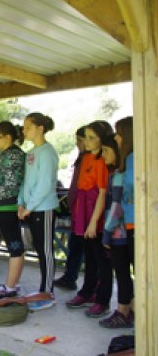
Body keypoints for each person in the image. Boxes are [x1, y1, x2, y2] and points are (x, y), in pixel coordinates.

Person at [65, 121, 113, 318]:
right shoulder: (85, 158)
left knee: (102, 260)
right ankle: (87, 292)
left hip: (96, 214)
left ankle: (103, 300)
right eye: (86, 137)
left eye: (92, 137)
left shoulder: (103, 160)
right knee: (89, 257)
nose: (87, 141)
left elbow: (102, 194)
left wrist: (93, 221)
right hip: (83, 211)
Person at [17, 113, 60, 310]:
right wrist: (21, 203)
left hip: (43, 208)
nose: (24, 131)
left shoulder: (48, 152)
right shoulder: (32, 152)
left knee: (46, 251)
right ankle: (43, 289)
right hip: (31, 209)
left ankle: (48, 292)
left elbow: (44, 185)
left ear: (40, 128)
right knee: (39, 249)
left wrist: (29, 206)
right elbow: (26, 181)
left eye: (28, 127)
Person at [99, 116, 134, 328]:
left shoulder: (122, 171)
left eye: (120, 135)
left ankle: (123, 312)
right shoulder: (119, 170)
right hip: (124, 230)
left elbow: (116, 207)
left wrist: (106, 232)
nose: (102, 156)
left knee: (122, 273)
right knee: (123, 273)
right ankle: (127, 310)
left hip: (121, 233)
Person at [0, 121, 25, 296]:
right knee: (14, 246)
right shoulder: (9, 154)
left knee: (14, 247)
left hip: (7, 205)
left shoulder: (13, 155)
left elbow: (11, 184)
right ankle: (11, 284)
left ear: (8, 137)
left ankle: (10, 287)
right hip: (5, 205)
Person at [54, 126, 87, 290]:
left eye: (80, 140)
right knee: (75, 246)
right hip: (76, 210)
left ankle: (90, 286)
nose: (78, 144)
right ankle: (70, 276)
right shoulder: (81, 158)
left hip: (86, 212)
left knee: (86, 250)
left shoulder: (92, 159)